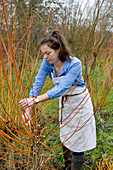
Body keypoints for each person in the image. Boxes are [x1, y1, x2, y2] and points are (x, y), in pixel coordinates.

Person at [19, 30, 96, 170]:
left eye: (48, 53)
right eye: (43, 53)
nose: (45, 56)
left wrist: (35, 101)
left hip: (80, 103)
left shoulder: (75, 64)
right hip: (65, 103)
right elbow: (37, 86)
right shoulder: (47, 63)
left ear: (58, 49)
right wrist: (28, 112)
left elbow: (61, 88)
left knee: (78, 140)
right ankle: (67, 166)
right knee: (66, 137)